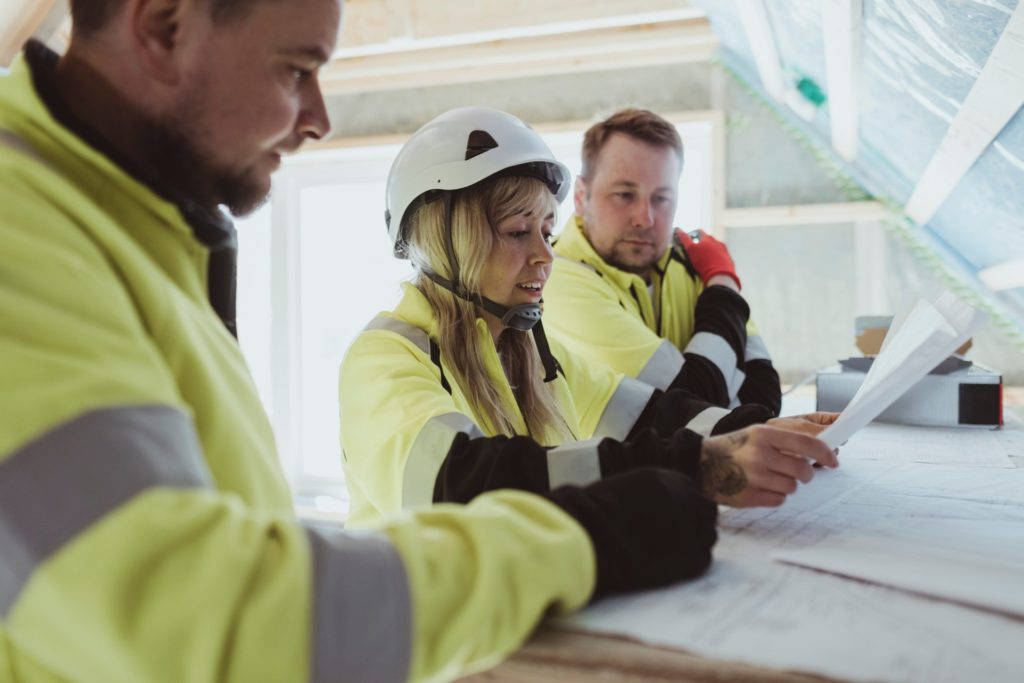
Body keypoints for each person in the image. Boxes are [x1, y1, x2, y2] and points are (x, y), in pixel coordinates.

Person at [1, 3, 748, 682]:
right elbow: (199, 621)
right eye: (297, 69)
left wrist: (734, 443)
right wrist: (581, 538)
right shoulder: (21, 235)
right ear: (164, 26)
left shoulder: (136, 234)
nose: (320, 117)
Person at [339, 106, 837, 530]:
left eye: (547, 231)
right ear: (447, 243)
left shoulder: (532, 353)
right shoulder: (384, 358)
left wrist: (757, 431)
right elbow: (462, 484)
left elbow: (653, 416)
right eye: (518, 232)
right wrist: (699, 466)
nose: (545, 256)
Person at [544, 108, 783, 426]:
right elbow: (699, 399)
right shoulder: (556, 280)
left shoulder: (689, 261)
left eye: (662, 198)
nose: (646, 218)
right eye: (624, 195)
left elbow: (763, 398)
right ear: (580, 196)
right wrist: (724, 281)